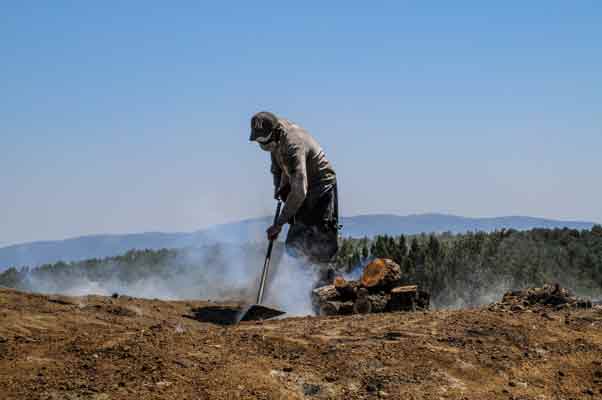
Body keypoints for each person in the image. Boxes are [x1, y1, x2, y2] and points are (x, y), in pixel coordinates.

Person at [249, 111, 339, 268]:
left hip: (320, 186)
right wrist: (278, 188)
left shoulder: (292, 145)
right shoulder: (276, 138)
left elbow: (299, 191)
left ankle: (325, 283)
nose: (261, 145)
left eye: (264, 140)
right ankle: (303, 284)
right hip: (299, 183)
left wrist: (279, 223)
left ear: (275, 133)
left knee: (321, 243)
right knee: (295, 244)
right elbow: (276, 166)